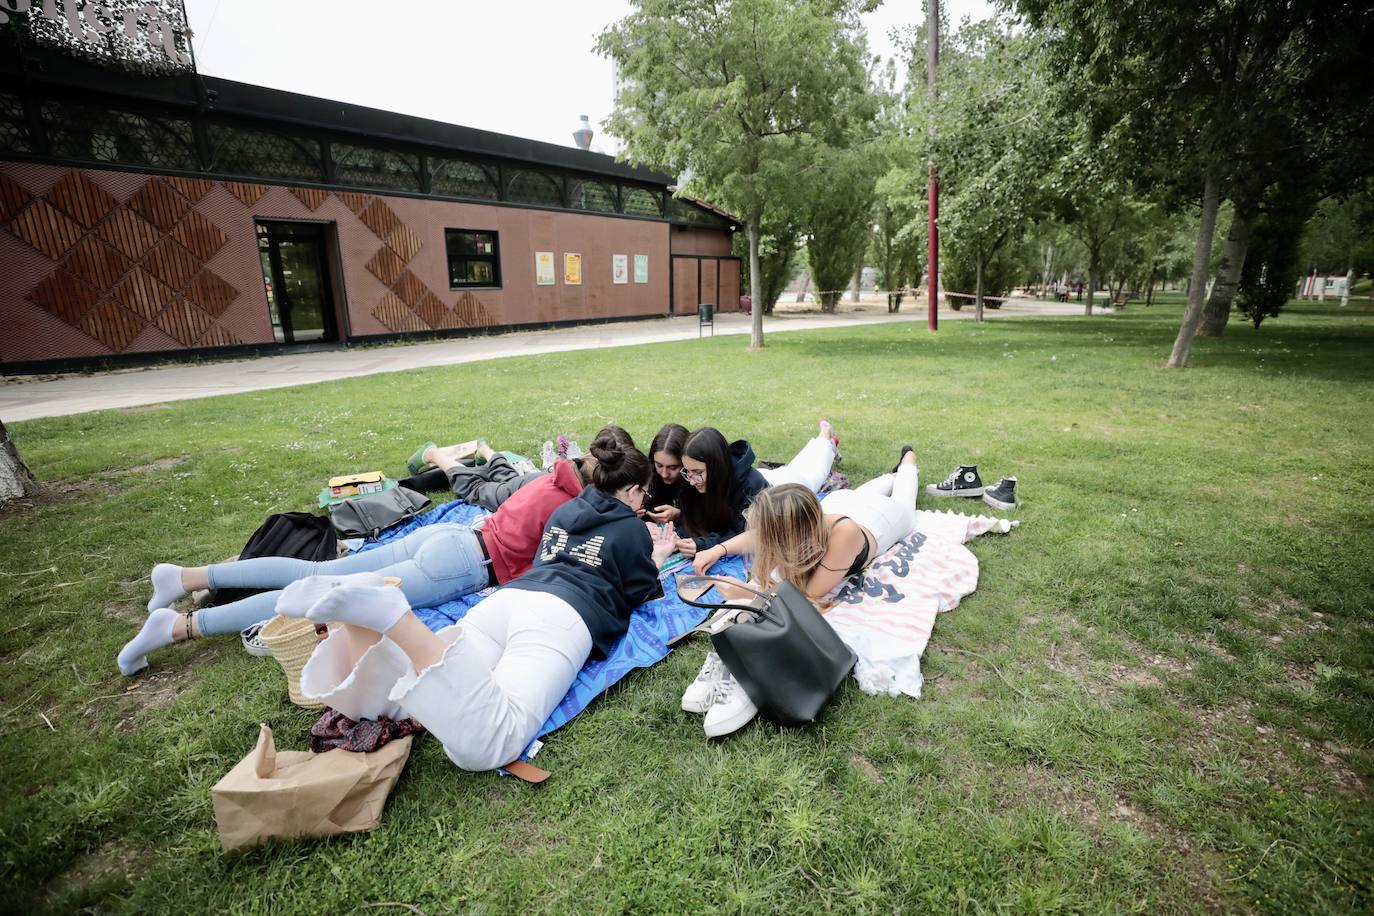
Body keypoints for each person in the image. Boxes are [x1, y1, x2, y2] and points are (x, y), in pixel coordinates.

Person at [289, 436, 675, 771]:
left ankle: (364, 628)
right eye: (645, 492)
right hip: (563, 617)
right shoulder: (630, 528)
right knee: (494, 741)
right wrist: (659, 553)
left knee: (406, 707)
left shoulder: (563, 509)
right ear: (631, 492)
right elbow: (640, 590)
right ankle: (395, 618)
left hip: (510, 600)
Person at [117, 456, 592, 675]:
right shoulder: (579, 513)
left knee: (313, 576)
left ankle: (187, 577)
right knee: (318, 595)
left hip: (449, 537)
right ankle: (182, 626)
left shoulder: (549, 478)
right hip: (461, 564)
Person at [683, 447, 920, 737]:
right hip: (844, 501)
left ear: (792, 533)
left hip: (883, 519)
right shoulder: (799, 523)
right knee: (865, 491)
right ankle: (889, 475)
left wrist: (748, 592)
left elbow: (807, 595)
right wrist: (718, 549)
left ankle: (907, 460)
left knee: (905, 498)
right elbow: (759, 534)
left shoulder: (844, 537)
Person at [673, 420, 838, 558]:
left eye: (698, 473)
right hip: (764, 478)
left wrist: (703, 545)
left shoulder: (751, 486)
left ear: (716, 467)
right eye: (687, 472)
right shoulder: (693, 476)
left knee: (814, 471)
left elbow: (746, 533)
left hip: (783, 490)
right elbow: (698, 517)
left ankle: (826, 437)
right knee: (799, 464)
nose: (692, 481)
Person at [644, 423, 689, 524]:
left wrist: (680, 514)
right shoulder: (645, 471)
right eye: (659, 465)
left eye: (673, 468)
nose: (664, 474)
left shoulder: (697, 477)